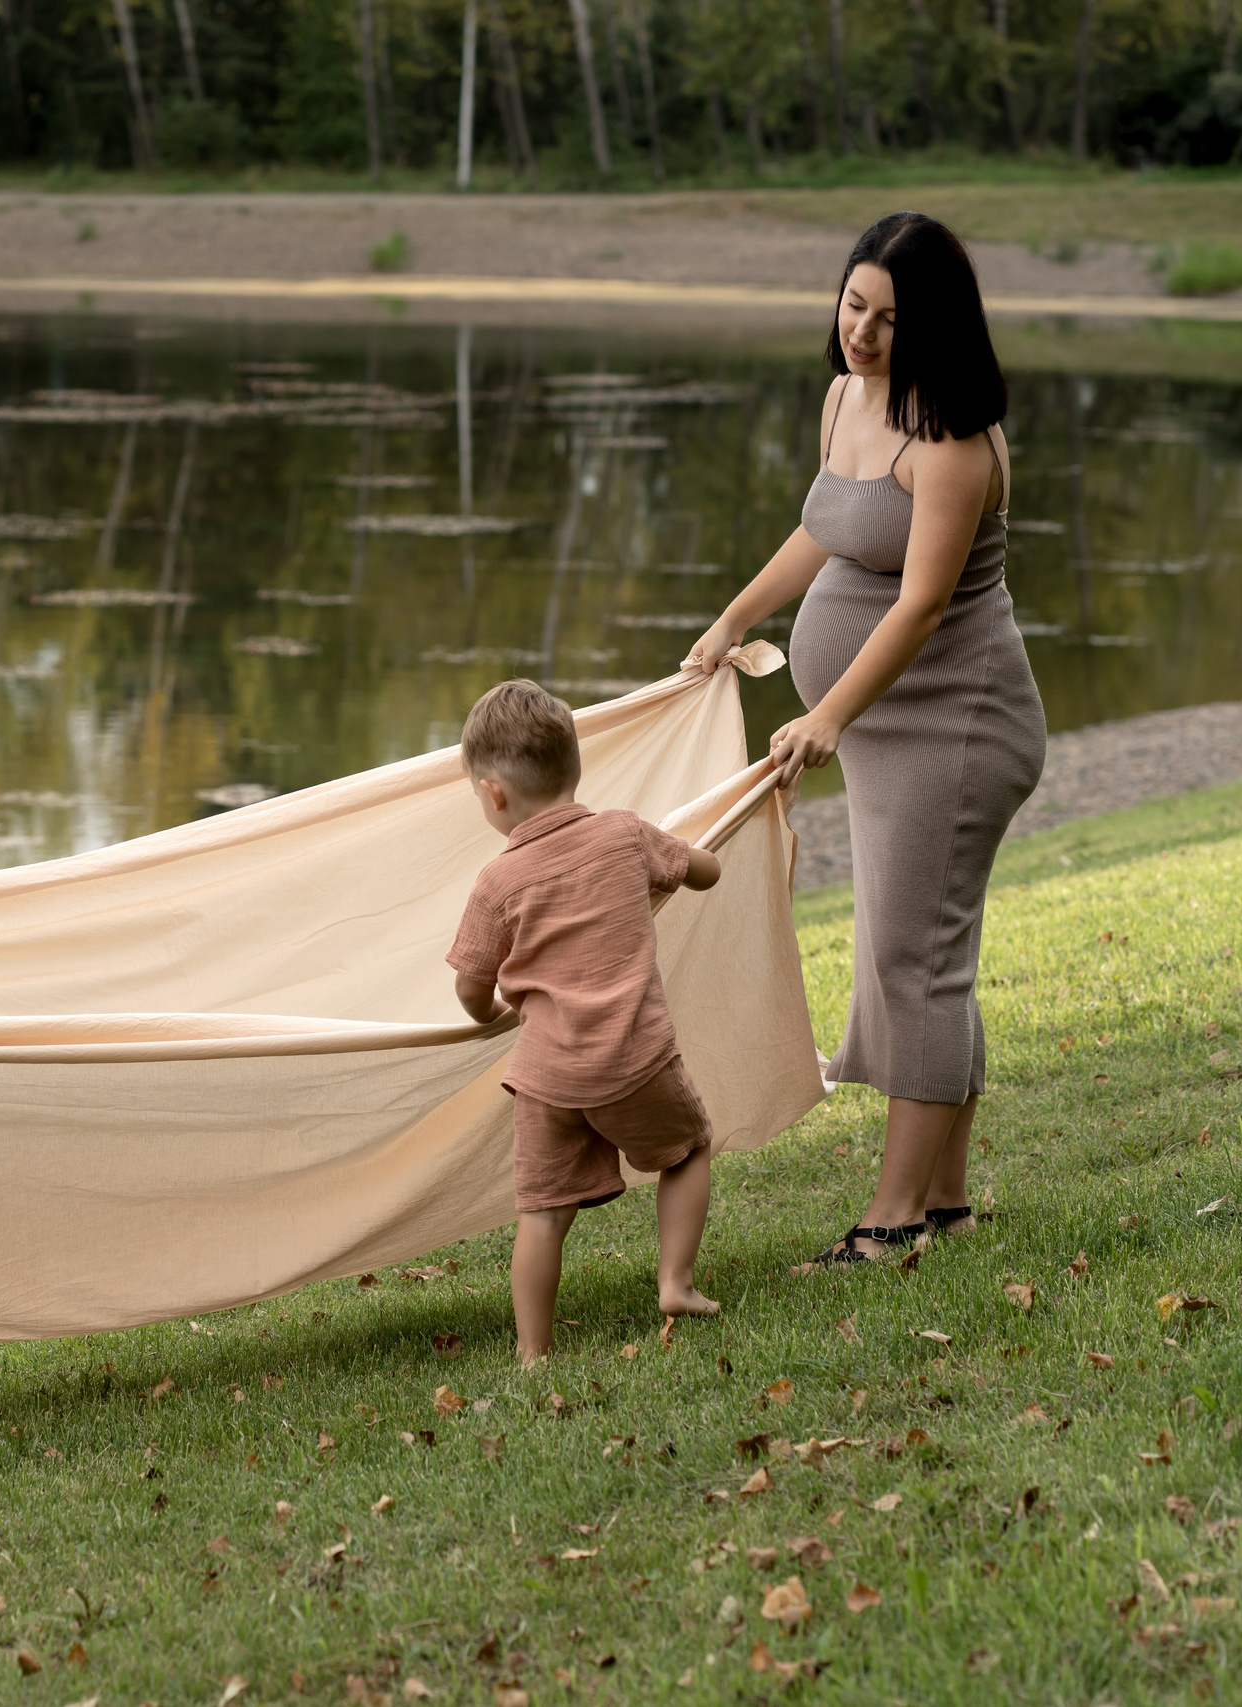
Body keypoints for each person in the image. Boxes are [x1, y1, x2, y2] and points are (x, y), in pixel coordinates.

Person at [682, 211, 1044, 1268]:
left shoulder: (955, 443)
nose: (862, 334)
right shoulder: (845, 397)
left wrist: (830, 711)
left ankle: (890, 1225)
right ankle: (944, 1204)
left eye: (888, 319)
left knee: (910, 962)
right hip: (891, 727)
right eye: (853, 305)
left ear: (932, 327)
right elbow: (823, 525)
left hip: (955, 725)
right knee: (918, 955)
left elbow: (924, 603)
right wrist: (733, 617)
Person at [444, 680, 725, 1364]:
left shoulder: (496, 882)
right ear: (574, 767)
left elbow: (471, 986)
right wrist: (682, 864)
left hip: (545, 1076)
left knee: (541, 1213)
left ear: (494, 794)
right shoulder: (624, 833)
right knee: (687, 1151)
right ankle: (675, 1282)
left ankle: (534, 1351)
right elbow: (706, 870)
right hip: (636, 1057)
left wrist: (490, 1014)